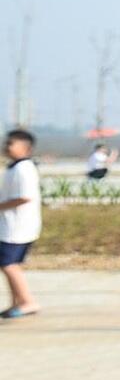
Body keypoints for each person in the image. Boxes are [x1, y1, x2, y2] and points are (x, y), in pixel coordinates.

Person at [1, 129, 42, 319]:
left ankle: (27, 301)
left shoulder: (24, 168)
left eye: (11, 143)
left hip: (17, 227)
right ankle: (16, 302)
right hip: (11, 226)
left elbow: (24, 197)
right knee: (10, 264)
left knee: (8, 264)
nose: (6, 146)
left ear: (26, 147)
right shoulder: (14, 167)